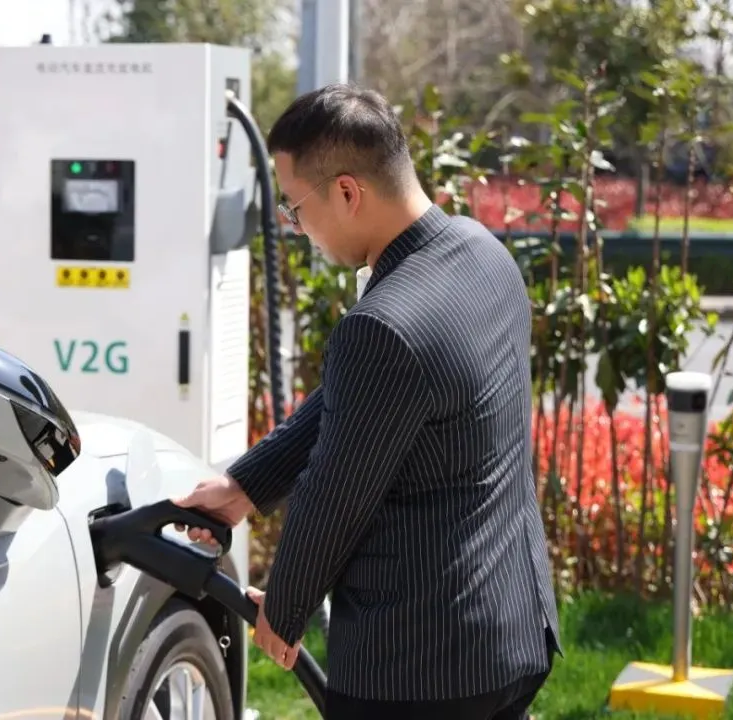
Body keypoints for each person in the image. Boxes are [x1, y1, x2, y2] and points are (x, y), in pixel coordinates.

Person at [174, 83, 562, 720]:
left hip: (420, 666)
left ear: (348, 193)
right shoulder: (482, 254)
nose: (295, 228)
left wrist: (285, 607)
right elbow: (359, 402)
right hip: (511, 630)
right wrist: (243, 488)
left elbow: (335, 494)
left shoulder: (383, 325)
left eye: (295, 208)